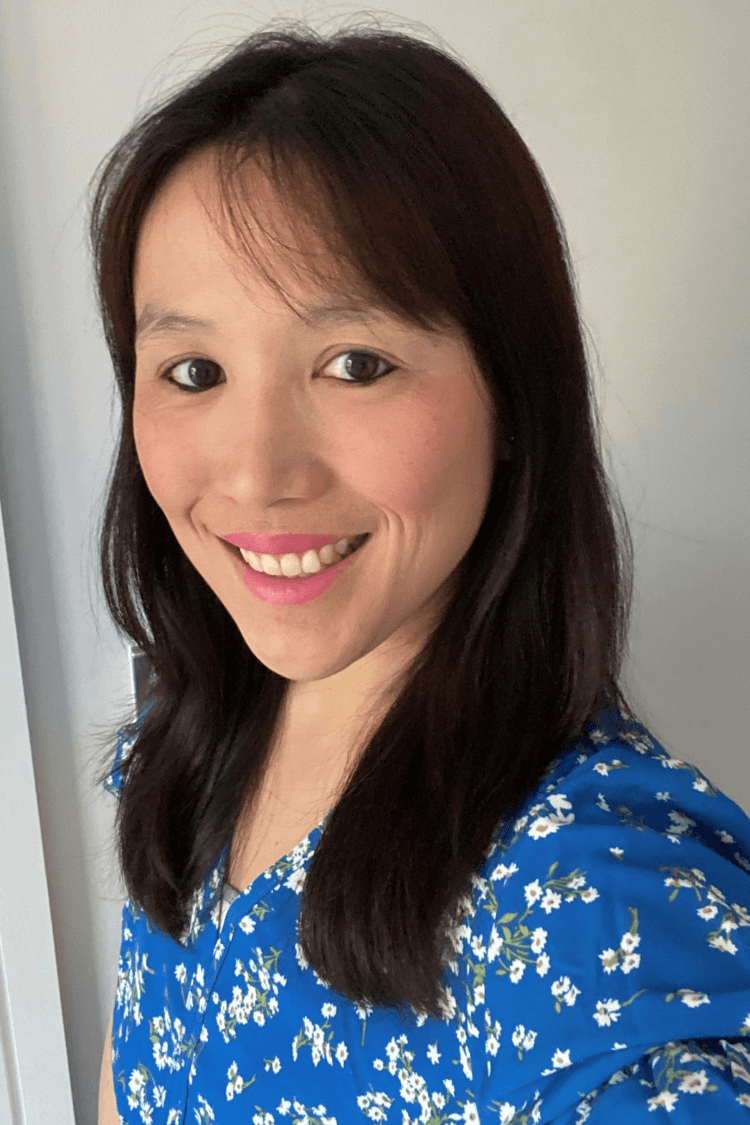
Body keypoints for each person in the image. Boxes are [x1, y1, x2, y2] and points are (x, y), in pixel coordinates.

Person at [92, 22, 750, 1124]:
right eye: (193, 370)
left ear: (512, 398)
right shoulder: (189, 718)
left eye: (356, 364)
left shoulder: (591, 897)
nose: (256, 477)